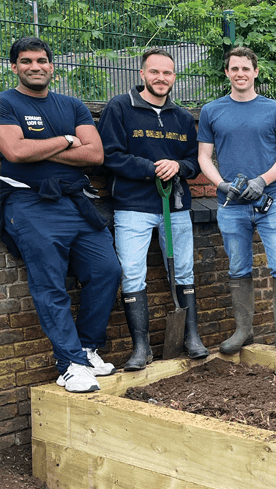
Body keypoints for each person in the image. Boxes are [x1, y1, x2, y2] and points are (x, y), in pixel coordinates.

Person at [0, 37, 120, 392]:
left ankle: (85, 349)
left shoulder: (72, 104)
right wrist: (68, 141)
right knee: (49, 283)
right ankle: (68, 364)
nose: (34, 66)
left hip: (76, 202)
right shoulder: (5, 102)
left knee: (107, 270)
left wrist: (40, 150)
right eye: (26, 61)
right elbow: (15, 151)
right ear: (13, 67)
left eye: (41, 60)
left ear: (52, 66)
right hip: (28, 203)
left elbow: (95, 154)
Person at [97, 47, 208, 369]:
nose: (161, 78)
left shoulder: (183, 117)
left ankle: (191, 336)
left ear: (174, 77)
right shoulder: (120, 108)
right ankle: (141, 348)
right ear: (142, 74)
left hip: (175, 207)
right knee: (132, 273)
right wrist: (151, 167)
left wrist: (178, 166)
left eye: (167, 73)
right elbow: (110, 155)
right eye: (155, 72)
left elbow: (194, 162)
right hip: (133, 206)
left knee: (184, 271)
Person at [197, 47, 276, 355]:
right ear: (227, 73)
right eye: (234, 68)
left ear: (256, 72)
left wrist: (262, 180)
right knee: (238, 267)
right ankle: (243, 331)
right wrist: (222, 185)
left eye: (245, 68)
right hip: (231, 205)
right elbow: (203, 157)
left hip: (271, 200)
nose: (240, 73)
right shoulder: (211, 111)